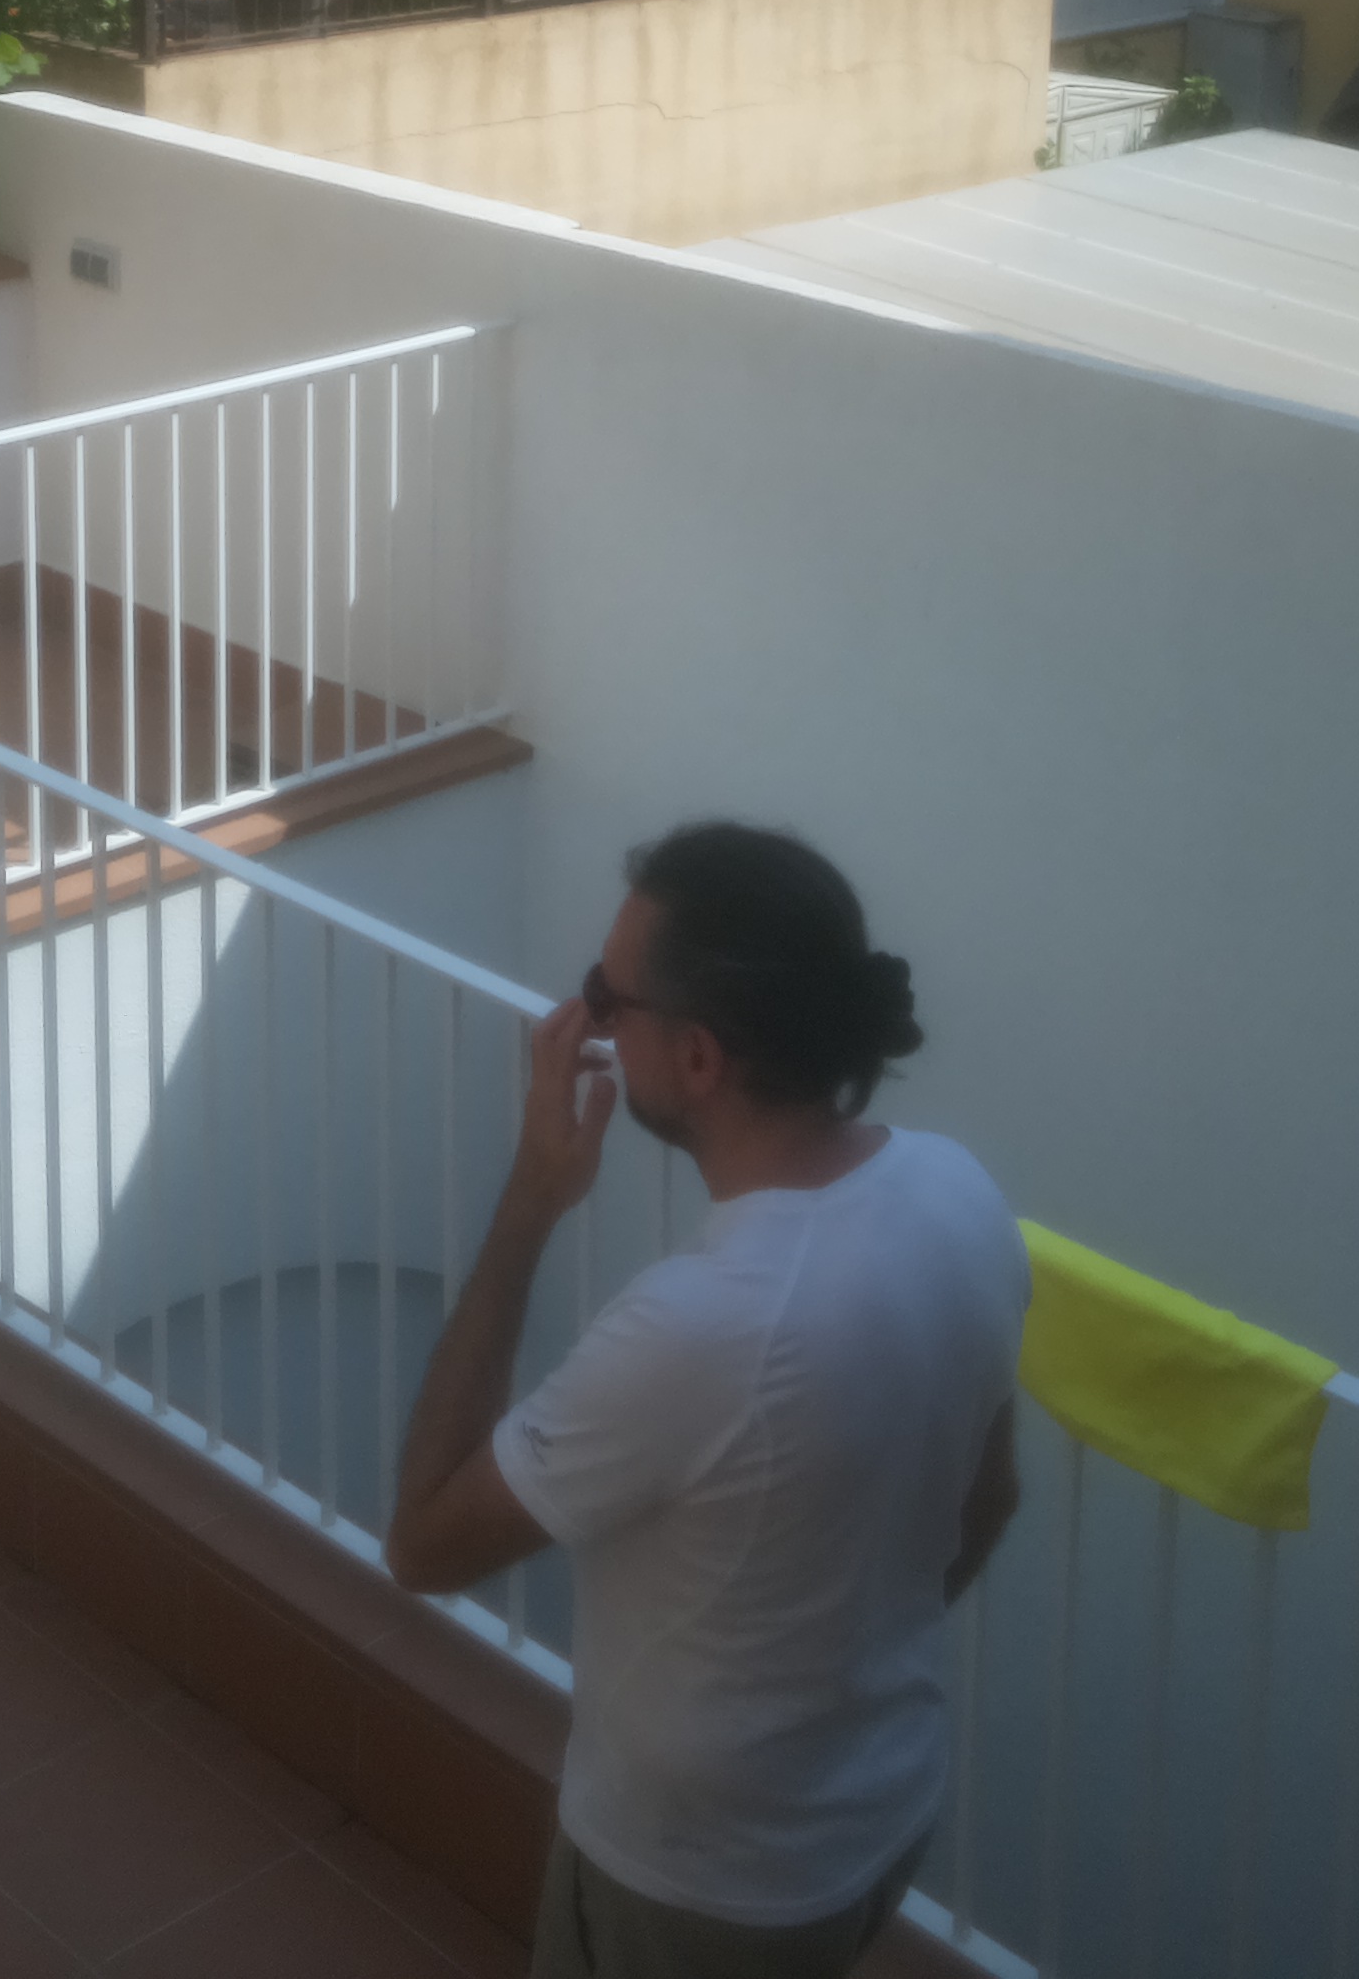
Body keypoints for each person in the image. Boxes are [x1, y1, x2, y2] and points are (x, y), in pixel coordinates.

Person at [387, 824, 1029, 1979]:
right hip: (878, 1813)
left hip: (697, 1881)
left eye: (604, 996)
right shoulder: (959, 1192)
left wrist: (532, 1197)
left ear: (696, 1058)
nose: (584, 1020)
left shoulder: (701, 1328)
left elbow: (424, 1542)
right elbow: (992, 1497)